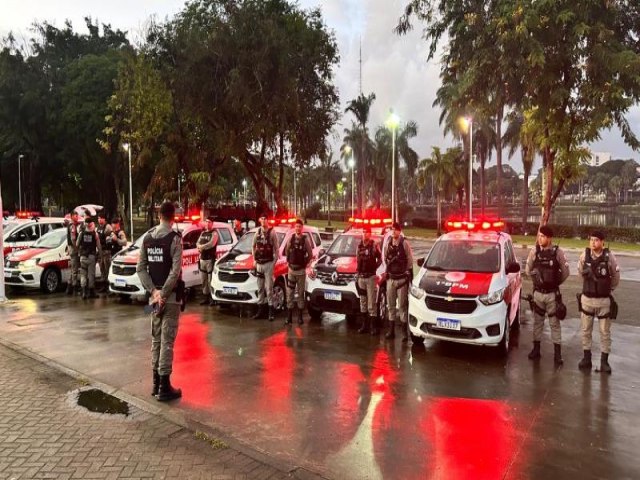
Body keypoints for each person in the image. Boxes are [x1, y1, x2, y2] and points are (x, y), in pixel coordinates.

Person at [136, 201, 184, 402]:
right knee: (167, 341)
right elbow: (175, 271)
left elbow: (140, 269)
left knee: (155, 340)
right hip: (170, 300)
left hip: (153, 301)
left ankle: (155, 384)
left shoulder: (147, 239)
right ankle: (164, 387)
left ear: (159, 216)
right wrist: (163, 294)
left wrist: (154, 293)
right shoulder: (175, 239)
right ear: (173, 216)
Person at [525, 225, 570, 366]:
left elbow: (565, 272)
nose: (540, 239)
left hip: (552, 295)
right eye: (539, 236)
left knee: (554, 324)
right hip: (538, 294)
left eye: (543, 236)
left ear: (549, 238)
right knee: (537, 323)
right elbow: (528, 270)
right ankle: (536, 349)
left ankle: (557, 354)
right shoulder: (534, 251)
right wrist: (538, 282)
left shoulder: (558, 252)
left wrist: (554, 283)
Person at [577, 230, 620, 374]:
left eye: (596, 240)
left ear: (602, 242)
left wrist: (606, 289)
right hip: (587, 300)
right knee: (585, 330)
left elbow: (615, 277)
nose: (593, 242)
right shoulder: (585, 255)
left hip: (603, 301)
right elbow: (580, 272)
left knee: (605, 332)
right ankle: (586, 358)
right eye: (591, 239)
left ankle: (604, 362)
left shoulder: (609, 257)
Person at [384, 222, 414, 342]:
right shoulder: (388, 243)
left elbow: (410, 260)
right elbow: (385, 258)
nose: (394, 232)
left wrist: (408, 275)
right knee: (391, 306)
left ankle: (404, 333)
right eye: (392, 230)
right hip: (391, 279)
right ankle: (391, 330)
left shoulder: (404, 243)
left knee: (402, 306)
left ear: (399, 231)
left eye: (396, 230)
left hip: (402, 280)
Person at [284, 219, 313, 326]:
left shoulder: (305, 240)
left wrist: (304, 263)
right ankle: (289, 317)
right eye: (296, 226)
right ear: (294, 228)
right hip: (291, 271)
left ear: (302, 228)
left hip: (301, 272)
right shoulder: (290, 239)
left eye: (299, 227)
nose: (298, 228)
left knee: (301, 294)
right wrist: (289, 262)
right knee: (290, 294)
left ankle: (300, 317)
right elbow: (287, 251)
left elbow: (310, 254)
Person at [251, 215, 280, 321]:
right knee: (260, 288)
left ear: (268, 221)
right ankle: (260, 311)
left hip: (268, 264)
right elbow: (253, 246)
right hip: (259, 264)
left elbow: (277, 249)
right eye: (262, 219)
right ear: (260, 220)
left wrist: (274, 262)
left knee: (269, 289)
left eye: (265, 219)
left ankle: (271, 312)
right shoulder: (257, 232)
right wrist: (254, 259)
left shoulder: (272, 233)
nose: (263, 221)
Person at [356, 227, 382, 335]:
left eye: (367, 232)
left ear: (370, 234)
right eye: (363, 232)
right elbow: (357, 259)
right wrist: (357, 274)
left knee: (371, 303)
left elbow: (380, 258)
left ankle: (373, 327)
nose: (365, 234)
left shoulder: (374, 246)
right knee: (363, 301)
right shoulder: (359, 246)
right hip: (361, 277)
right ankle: (364, 325)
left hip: (371, 277)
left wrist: (374, 267)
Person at [76, 217, 103, 299]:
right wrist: (100, 255)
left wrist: (80, 251)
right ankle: (91, 292)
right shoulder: (95, 234)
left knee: (83, 274)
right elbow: (99, 246)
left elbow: (77, 244)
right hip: (91, 257)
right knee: (91, 275)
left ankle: (84, 292)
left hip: (83, 257)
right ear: (91, 224)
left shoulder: (81, 233)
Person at [197, 217, 218, 306]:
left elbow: (211, 244)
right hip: (202, 259)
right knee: (203, 280)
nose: (208, 223)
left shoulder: (214, 233)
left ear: (212, 223)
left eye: (209, 222)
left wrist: (201, 247)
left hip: (210, 259)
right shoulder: (203, 233)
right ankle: (205, 297)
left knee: (210, 280)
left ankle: (212, 298)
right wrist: (198, 246)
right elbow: (197, 242)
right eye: (206, 222)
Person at [65, 210, 82, 295]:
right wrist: (77, 248)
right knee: (74, 269)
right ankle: (74, 288)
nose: (77, 217)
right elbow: (73, 239)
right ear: (71, 216)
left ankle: (69, 288)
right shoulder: (72, 226)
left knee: (72, 269)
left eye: (77, 215)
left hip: (71, 249)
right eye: (75, 216)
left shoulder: (72, 225)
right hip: (73, 249)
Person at [96, 213, 113, 292]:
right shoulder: (98, 227)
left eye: (101, 218)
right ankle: (103, 286)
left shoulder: (108, 227)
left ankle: (109, 287)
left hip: (106, 251)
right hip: (100, 251)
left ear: (104, 219)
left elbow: (110, 238)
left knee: (107, 269)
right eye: (98, 218)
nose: (99, 220)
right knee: (102, 269)